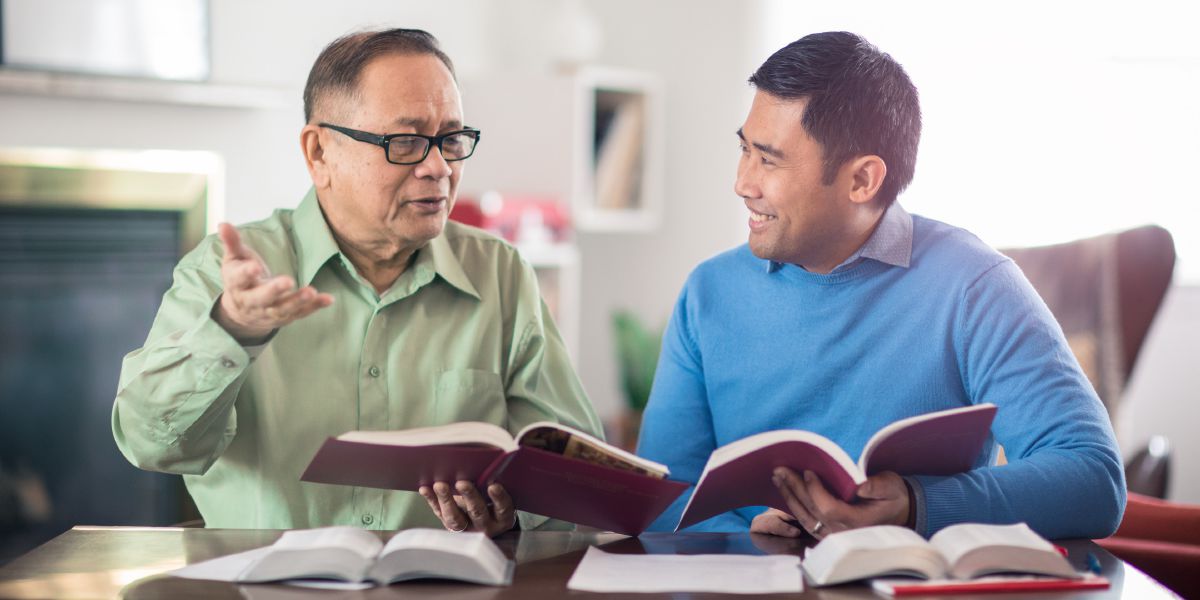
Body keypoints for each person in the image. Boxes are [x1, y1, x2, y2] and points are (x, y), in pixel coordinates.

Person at [112, 28, 602, 537]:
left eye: (451, 139)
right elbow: (151, 445)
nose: (438, 168)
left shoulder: (500, 273)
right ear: (319, 152)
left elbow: (576, 472)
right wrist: (232, 329)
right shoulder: (226, 272)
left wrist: (512, 511)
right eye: (406, 142)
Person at [637, 31, 1125, 540]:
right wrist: (748, 530)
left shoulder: (974, 285)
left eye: (769, 159)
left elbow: (1093, 479)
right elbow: (664, 493)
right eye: (744, 149)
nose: (743, 182)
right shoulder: (708, 293)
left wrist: (917, 505)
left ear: (863, 181)